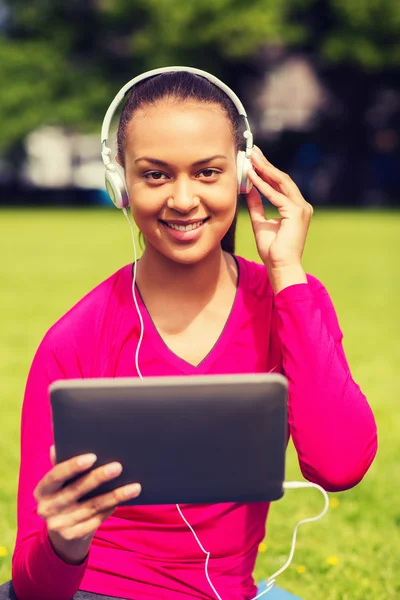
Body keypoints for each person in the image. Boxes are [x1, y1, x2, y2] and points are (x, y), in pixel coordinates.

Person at [1, 69, 377, 600]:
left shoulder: (290, 301)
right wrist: (66, 540)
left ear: (243, 176)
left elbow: (338, 466)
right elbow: (36, 590)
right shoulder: (75, 339)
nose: (182, 199)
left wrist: (288, 273)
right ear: (120, 185)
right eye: (155, 175)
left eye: (207, 172)